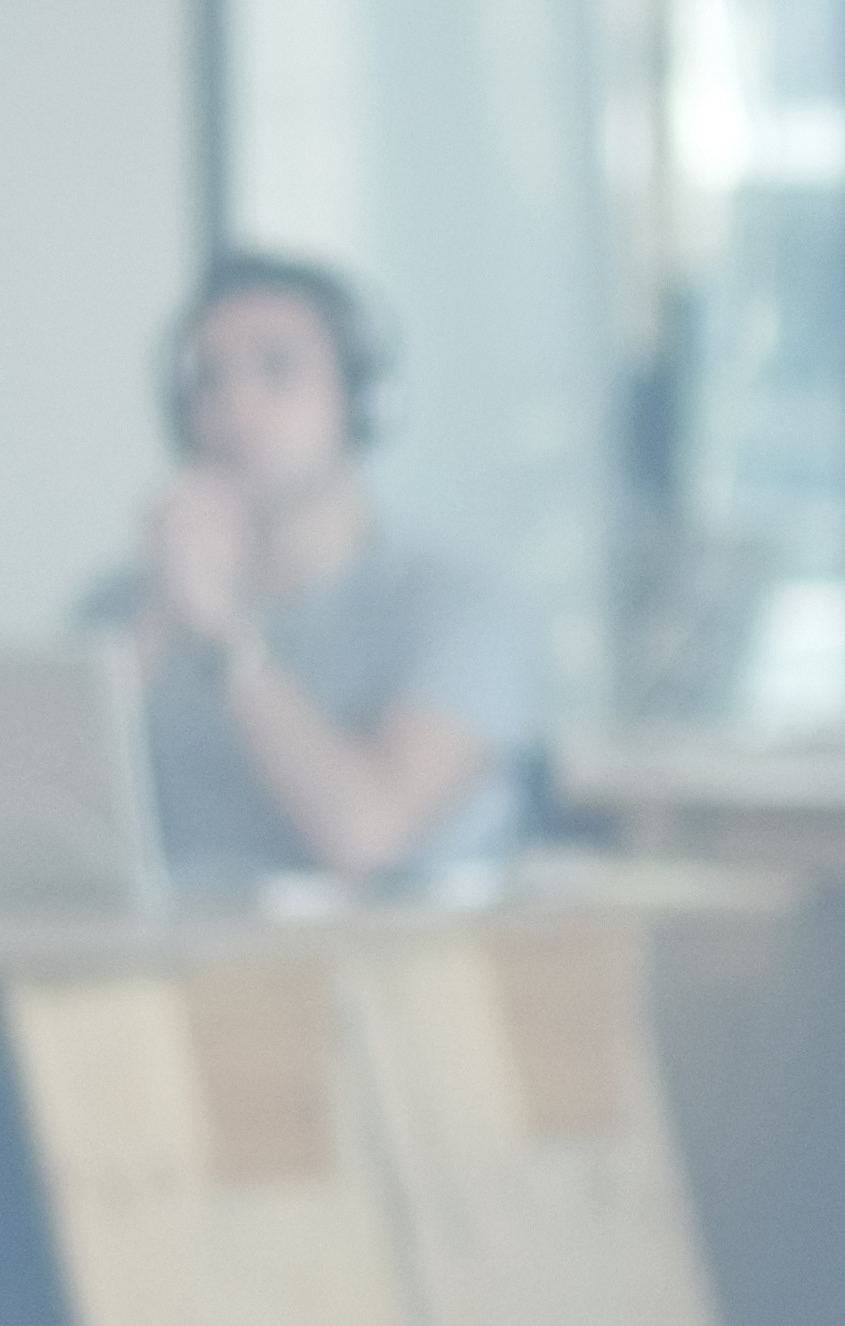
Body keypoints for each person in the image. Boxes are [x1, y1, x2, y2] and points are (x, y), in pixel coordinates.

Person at [84, 253, 529, 886]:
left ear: (360, 402)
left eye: (277, 372)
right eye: (208, 381)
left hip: (377, 974)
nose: (237, 408)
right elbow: (27, 833)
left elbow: (365, 837)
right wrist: (159, 618)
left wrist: (223, 633)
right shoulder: (122, 609)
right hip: (153, 970)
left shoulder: (454, 613)